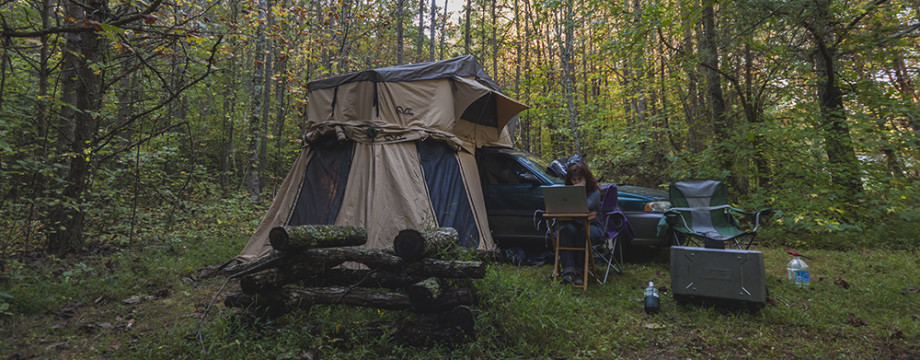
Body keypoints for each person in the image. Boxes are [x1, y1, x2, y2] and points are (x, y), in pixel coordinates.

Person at [558, 162, 605, 285]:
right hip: (574, 224)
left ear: (586, 178)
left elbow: (584, 207)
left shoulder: (594, 192)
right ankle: (568, 272)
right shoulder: (566, 192)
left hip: (593, 226)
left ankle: (579, 272)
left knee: (583, 234)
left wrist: (578, 191)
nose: (576, 182)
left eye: (580, 179)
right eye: (574, 180)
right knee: (565, 230)